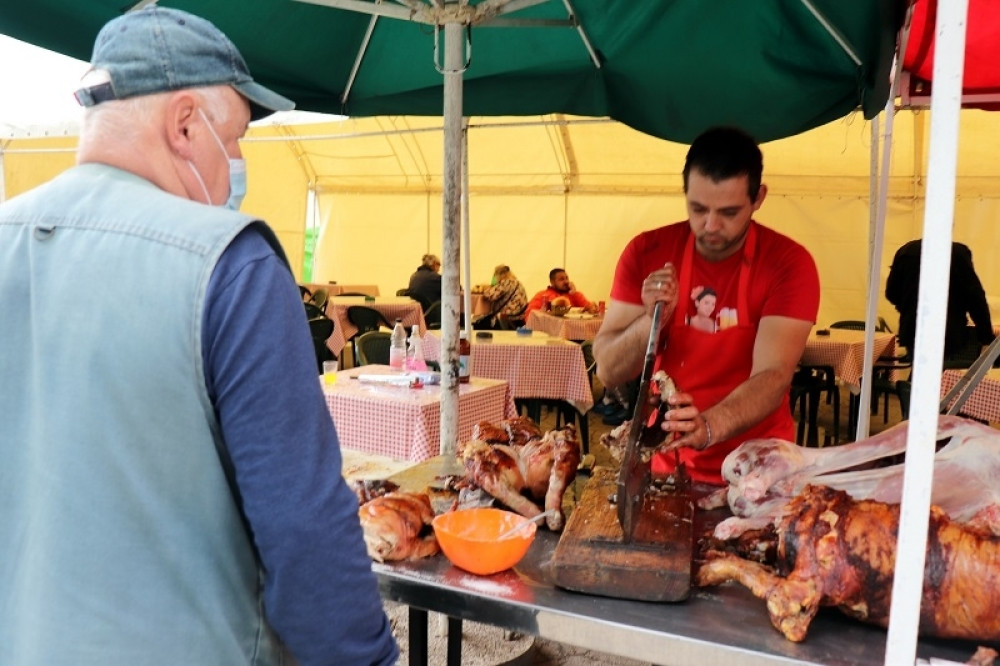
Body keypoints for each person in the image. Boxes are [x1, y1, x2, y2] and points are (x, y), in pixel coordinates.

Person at [0, 8, 397, 665]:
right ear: (185, 124)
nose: (238, 163)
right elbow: (303, 531)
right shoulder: (230, 264)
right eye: (236, 138)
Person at [593, 126, 820, 485]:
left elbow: (774, 375)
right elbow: (608, 368)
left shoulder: (789, 264)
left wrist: (708, 426)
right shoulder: (647, 252)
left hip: (758, 470)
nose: (710, 225)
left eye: (728, 212)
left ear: (758, 197)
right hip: (667, 464)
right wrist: (652, 321)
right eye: (698, 208)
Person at [885, 239, 995, 363]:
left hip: (914, 327)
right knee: (943, 376)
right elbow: (975, 296)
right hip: (948, 331)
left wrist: (908, 308)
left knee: (920, 372)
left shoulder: (906, 250)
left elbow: (891, 293)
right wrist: (986, 336)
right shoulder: (958, 252)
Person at [524, 267, 599, 316]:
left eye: (567, 278)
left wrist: (574, 294)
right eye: (561, 279)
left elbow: (589, 308)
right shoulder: (542, 295)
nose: (566, 281)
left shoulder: (574, 294)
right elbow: (530, 314)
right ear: (552, 282)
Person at [476, 264, 529, 329]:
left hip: (511, 315)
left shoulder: (506, 282)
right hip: (520, 314)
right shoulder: (516, 282)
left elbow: (490, 295)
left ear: (499, 275)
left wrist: (483, 288)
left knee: (482, 324)